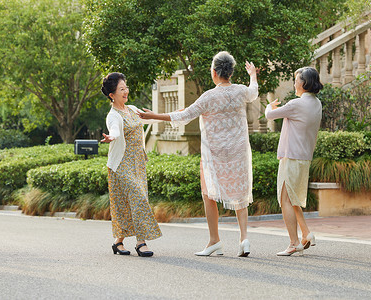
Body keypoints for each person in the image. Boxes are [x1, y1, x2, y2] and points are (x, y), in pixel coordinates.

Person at [137, 51, 258, 257]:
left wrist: (153, 115)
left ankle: (214, 241)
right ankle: (244, 239)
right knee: (240, 194)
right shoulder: (240, 92)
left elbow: (184, 115)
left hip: (214, 154)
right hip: (238, 152)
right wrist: (252, 74)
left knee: (208, 193)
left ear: (214, 72)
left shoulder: (209, 97)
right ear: (230, 72)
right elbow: (253, 91)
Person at [100, 72, 162, 257]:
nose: (126, 91)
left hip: (138, 162)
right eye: (121, 89)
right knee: (138, 197)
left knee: (127, 204)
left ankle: (118, 242)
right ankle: (141, 242)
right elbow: (115, 130)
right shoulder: (113, 116)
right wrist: (112, 137)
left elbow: (147, 119)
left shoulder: (133, 109)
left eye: (126, 87)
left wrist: (165, 117)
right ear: (112, 95)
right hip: (121, 165)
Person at [265, 67, 323, 256]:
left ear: (304, 83)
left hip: (291, 157)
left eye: (296, 80)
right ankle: (306, 234)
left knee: (285, 200)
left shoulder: (296, 104)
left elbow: (269, 116)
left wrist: (269, 106)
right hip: (304, 158)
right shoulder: (317, 104)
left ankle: (293, 243)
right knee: (293, 199)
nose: (294, 83)